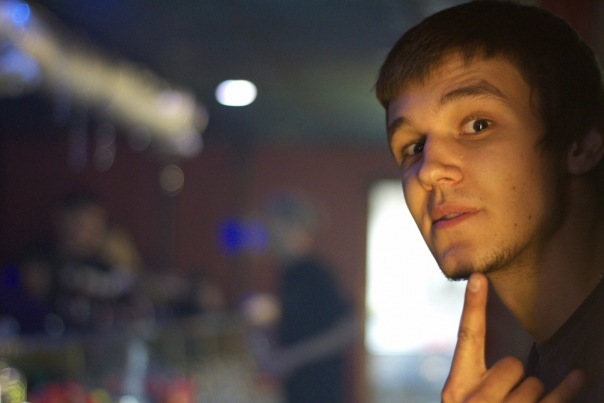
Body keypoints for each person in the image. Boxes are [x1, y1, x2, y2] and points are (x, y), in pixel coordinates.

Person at [375, 1, 604, 401]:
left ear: (581, 143)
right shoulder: (548, 369)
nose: (428, 171)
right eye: (414, 147)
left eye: (477, 125)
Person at [243, 190, 356, 403]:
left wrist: (290, 358)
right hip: (298, 389)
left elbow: (348, 329)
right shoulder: (287, 274)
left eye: (272, 224)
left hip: (319, 391)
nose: (267, 232)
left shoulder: (315, 273)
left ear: (292, 226)